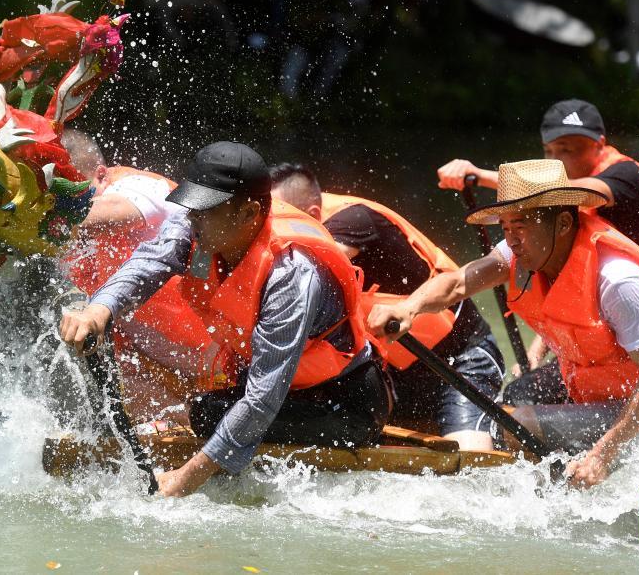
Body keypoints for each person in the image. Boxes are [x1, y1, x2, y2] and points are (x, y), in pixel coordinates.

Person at [60, 142, 392, 497]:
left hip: (340, 405)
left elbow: (262, 399)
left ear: (249, 214)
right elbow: (148, 264)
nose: (191, 219)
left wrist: (182, 481)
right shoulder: (198, 228)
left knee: (209, 413)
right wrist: (98, 310)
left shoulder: (290, 276)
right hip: (278, 392)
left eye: (203, 211)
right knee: (207, 411)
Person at [370, 160, 639, 488]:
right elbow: (456, 284)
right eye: (505, 227)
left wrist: (602, 455)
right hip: (597, 393)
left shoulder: (617, 279)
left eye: (521, 225)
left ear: (564, 223)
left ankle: (546, 496)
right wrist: (408, 308)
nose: (510, 240)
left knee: (515, 423)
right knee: (517, 393)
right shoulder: (522, 253)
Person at [438, 99, 639, 402]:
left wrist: (479, 176)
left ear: (600, 144)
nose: (559, 160)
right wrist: (536, 352)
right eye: (550, 152)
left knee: (526, 398)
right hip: (608, 326)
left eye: (568, 150)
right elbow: (570, 296)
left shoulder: (625, 176)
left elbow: (568, 192)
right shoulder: (567, 229)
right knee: (520, 392)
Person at [270, 163, 504, 451]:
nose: (272, 234)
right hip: (393, 373)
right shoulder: (294, 233)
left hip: (460, 364)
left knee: (472, 462)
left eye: (279, 220)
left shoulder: (353, 221)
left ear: (312, 216)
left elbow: (301, 285)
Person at [60, 129, 211, 419]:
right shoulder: (67, 238)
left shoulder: (139, 186)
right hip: (163, 362)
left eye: (73, 193)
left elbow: (106, 213)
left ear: (101, 176)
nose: (67, 203)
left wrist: (34, 213)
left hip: (220, 351)